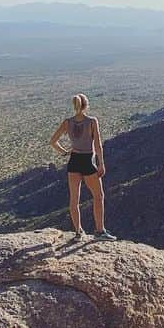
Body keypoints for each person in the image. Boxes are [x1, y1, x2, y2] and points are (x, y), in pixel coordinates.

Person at [48, 93, 116, 240]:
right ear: (86, 105)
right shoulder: (92, 121)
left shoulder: (67, 122)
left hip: (73, 161)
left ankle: (78, 232)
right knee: (98, 196)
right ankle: (99, 231)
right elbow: (98, 145)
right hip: (87, 161)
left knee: (74, 200)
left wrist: (65, 152)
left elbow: (53, 141)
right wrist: (101, 164)